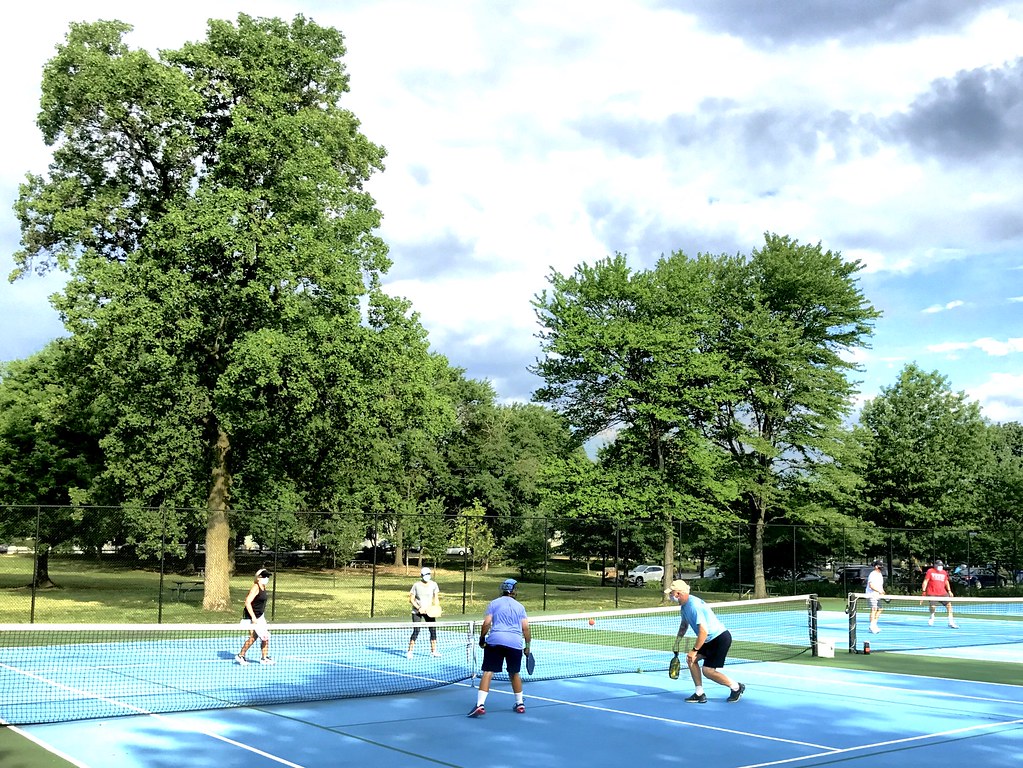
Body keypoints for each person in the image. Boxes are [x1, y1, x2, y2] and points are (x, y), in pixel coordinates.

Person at [664, 579, 744, 703]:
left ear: (678, 593)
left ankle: (736, 687)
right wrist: (677, 641)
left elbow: (703, 631)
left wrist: (694, 650)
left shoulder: (693, 606)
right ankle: (699, 693)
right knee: (691, 660)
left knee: (708, 671)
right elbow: (684, 625)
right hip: (708, 639)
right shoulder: (684, 607)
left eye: (671, 593)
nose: (670, 596)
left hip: (719, 638)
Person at [469, 578, 531, 717]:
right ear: (514, 591)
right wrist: (527, 646)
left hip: (495, 641)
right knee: (514, 673)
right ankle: (520, 704)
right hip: (515, 643)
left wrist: (482, 638)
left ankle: (480, 705)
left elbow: (486, 623)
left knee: (488, 672)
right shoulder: (520, 607)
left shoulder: (494, 603)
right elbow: (525, 628)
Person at [236, 569, 275, 665]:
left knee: (263, 637)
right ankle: (241, 656)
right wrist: (253, 617)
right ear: (258, 578)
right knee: (256, 637)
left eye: (267, 577)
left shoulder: (263, 587)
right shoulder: (255, 587)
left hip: (260, 616)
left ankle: (264, 657)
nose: (266, 578)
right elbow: (247, 602)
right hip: (252, 617)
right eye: (264, 576)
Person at [407, 566, 442, 659]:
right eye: (425, 574)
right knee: (416, 630)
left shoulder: (434, 584)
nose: (427, 576)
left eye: (428, 574)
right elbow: (411, 599)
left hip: (429, 612)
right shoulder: (416, 585)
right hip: (417, 612)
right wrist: (419, 608)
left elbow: (436, 598)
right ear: (421, 575)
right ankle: (410, 651)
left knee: (433, 631)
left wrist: (437, 607)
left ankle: (433, 651)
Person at [921, 558, 958, 629]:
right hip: (932, 592)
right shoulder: (930, 571)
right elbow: (926, 581)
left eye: (941, 565)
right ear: (935, 565)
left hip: (943, 592)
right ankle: (932, 615)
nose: (940, 566)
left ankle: (951, 622)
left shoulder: (944, 572)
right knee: (933, 607)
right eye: (939, 565)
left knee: (949, 606)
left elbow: (946, 582)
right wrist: (924, 591)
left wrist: (949, 591)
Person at [865, 560, 886, 634]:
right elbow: (871, 586)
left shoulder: (880, 574)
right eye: (880, 565)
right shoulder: (872, 574)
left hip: (878, 595)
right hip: (871, 594)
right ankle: (872, 626)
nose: (882, 567)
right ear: (876, 566)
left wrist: (882, 591)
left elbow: (880, 585)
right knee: (874, 609)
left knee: (880, 609)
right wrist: (879, 591)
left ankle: (874, 624)